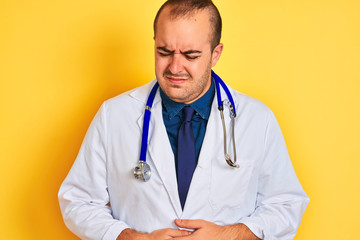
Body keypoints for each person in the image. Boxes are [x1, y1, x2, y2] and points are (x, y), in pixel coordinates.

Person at [58, 0, 309, 239]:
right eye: (164, 52)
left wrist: (230, 236)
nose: (175, 67)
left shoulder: (257, 119)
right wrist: (130, 238)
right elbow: (78, 201)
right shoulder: (114, 115)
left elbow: (286, 205)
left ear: (215, 53)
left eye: (191, 55)